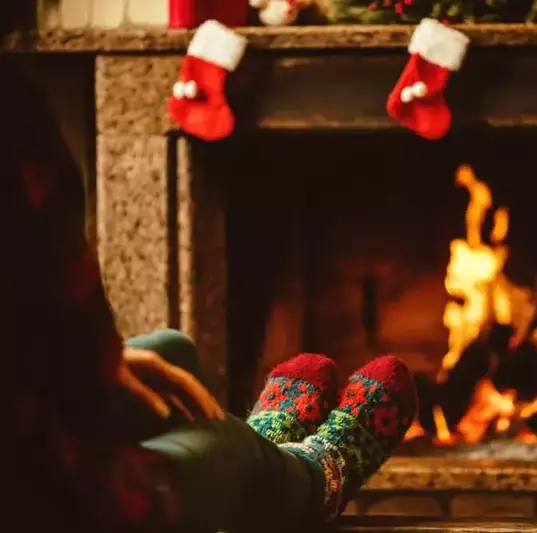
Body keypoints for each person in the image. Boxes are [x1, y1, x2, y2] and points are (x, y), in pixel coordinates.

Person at [2, 5, 417, 532]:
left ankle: (266, 452)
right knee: (225, 448)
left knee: (172, 350)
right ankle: (317, 475)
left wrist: (97, 362)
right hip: (45, 496)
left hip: (26, 422)